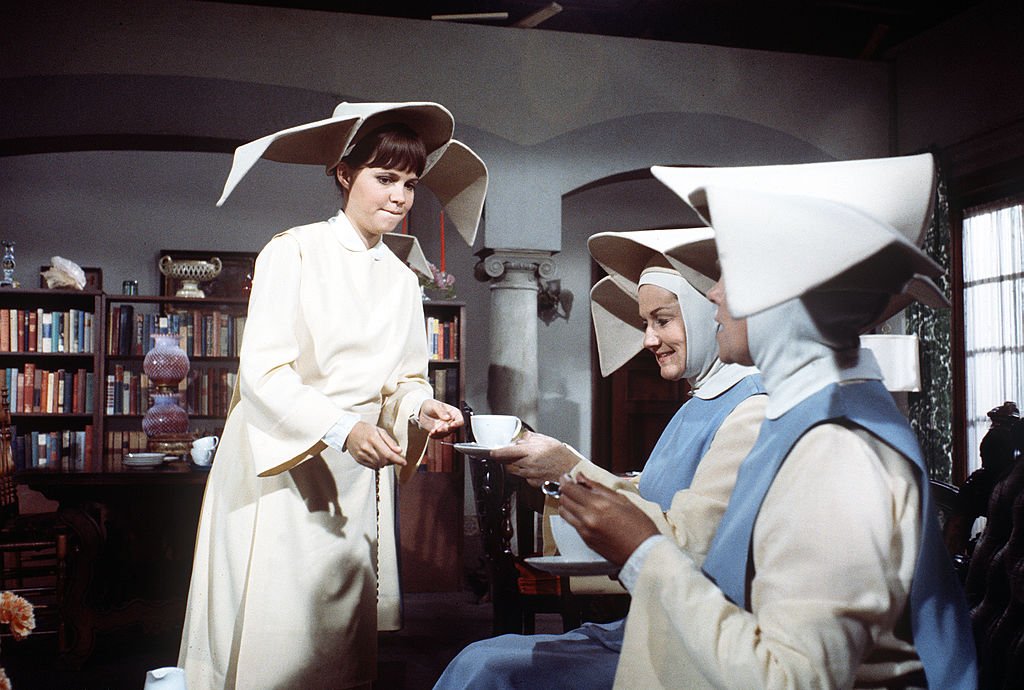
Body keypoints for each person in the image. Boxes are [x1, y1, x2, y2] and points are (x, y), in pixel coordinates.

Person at [557, 153, 977, 688]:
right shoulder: (813, 417)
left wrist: (643, 551)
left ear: (782, 289)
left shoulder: (838, 454)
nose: (711, 292)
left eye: (728, 270)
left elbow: (791, 679)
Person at [178, 102, 488, 690]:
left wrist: (419, 408)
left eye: (410, 184)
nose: (399, 197)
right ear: (345, 174)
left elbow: (403, 379)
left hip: (355, 470)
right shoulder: (292, 251)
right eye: (385, 178)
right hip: (283, 462)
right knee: (279, 633)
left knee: (336, 639)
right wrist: (343, 429)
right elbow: (264, 374)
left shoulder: (401, 278)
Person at [434, 228, 767, 689]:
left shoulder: (751, 409)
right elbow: (652, 498)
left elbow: (691, 542)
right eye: (646, 323)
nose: (649, 340)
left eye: (663, 320)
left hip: (699, 638)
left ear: (706, 313)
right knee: (480, 659)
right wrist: (562, 466)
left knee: (486, 668)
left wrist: (569, 468)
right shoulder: (700, 402)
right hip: (659, 620)